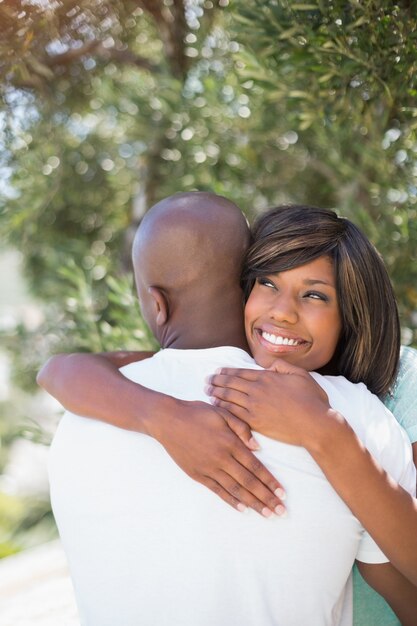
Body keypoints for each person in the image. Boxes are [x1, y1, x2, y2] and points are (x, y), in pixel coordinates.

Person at [40, 194, 417, 625]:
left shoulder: (376, 398)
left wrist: (325, 430)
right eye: (267, 283)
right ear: (241, 289)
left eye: (314, 295)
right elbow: (62, 370)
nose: (283, 312)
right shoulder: (357, 413)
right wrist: (163, 417)